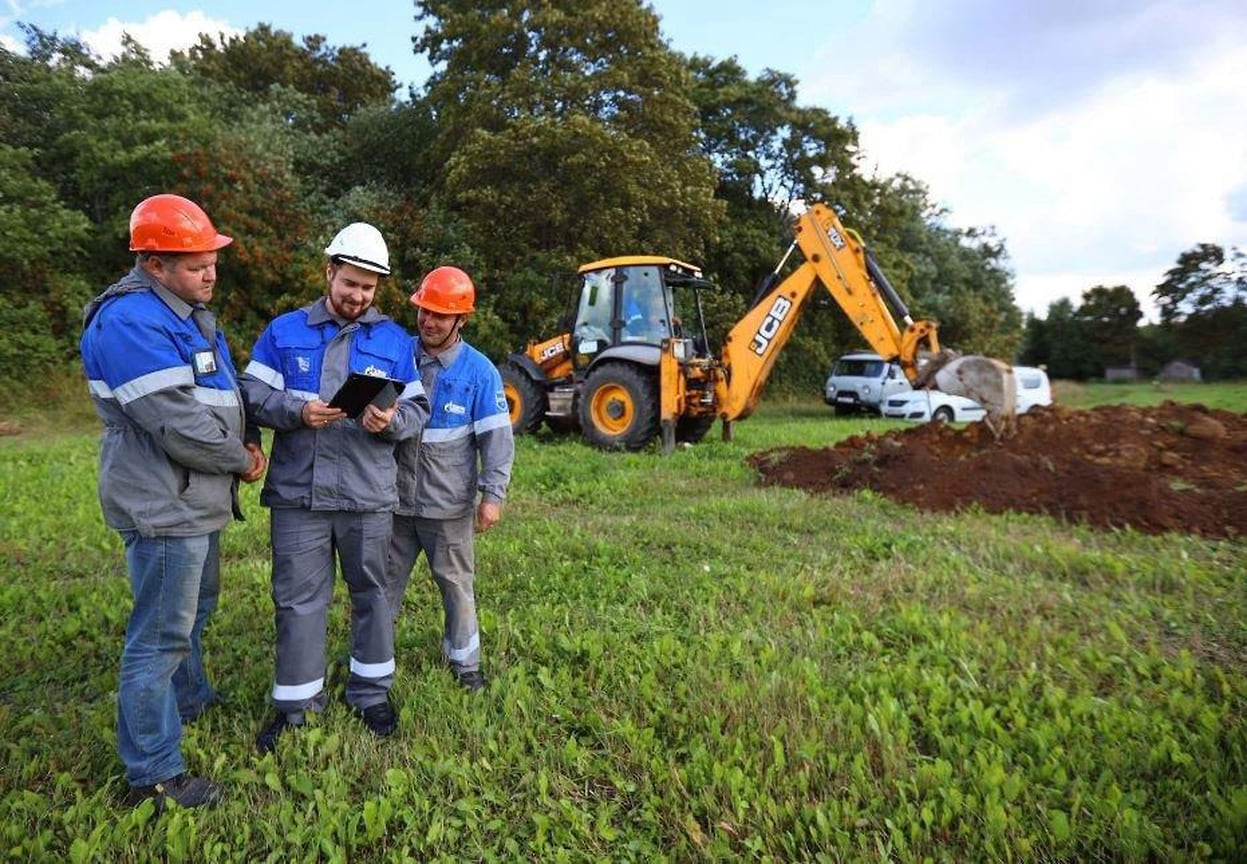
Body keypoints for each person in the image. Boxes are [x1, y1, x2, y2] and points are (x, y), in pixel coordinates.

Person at [80, 194, 266, 810]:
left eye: (213, 261)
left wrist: (247, 436)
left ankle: (189, 700)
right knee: (159, 637)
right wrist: (241, 460)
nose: (210, 273)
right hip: (163, 501)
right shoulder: (132, 321)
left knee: (192, 613)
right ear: (153, 263)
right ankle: (154, 776)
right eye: (195, 264)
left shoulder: (185, 313)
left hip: (194, 497)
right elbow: (177, 424)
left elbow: (222, 394)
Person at [240, 223, 430, 753]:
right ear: (329, 272)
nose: (358, 296)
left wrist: (389, 421)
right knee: (298, 601)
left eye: (368, 288)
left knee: (373, 593)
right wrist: (297, 411)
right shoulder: (284, 331)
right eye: (350, 283)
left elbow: (418, 409)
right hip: (299, 495)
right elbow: (250, 395)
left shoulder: (393, 341)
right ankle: (297, 705)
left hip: (367, 496)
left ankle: (371, 695)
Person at [386, 266, 514, 692]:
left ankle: (465, 665)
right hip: (394, 503)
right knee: (382, 588)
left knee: (457, 587)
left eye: (441, 314)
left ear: (461, 319)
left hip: (448, 508)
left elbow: (496, 439)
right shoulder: (396, 356)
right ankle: (372, 660)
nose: (429, 321)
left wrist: (492, 496)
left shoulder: (480, 373)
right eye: (424, 310)